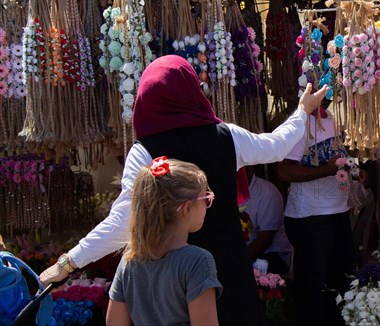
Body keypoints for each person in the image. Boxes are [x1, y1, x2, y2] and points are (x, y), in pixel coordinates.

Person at [41, 55, 329, 326]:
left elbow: (122, 222)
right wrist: (302, 111)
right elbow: (276, 147)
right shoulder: (225, 136)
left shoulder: (144, 153)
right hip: (228, 273)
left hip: (171, 282)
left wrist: (68, 263)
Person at [107, 158, 221, 325]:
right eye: (206, 198)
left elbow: (114, 323)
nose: (208, 203)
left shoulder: (129, 261)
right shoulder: (197, 261)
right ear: (187, 208)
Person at [278, 100, 355, 325]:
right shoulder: (299, 123)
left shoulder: (332, 119)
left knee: (342, 281)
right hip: (309, 218)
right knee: (313, 287)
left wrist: (356, 170)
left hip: (338, 212)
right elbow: (283, 171)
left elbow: (338, 160)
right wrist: (325, 171)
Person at [240, 166, 292, 275]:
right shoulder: (228, 191)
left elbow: (264, 240)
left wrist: (236, 261)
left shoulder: (267, 192)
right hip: (243, 253)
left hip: (272, 255)